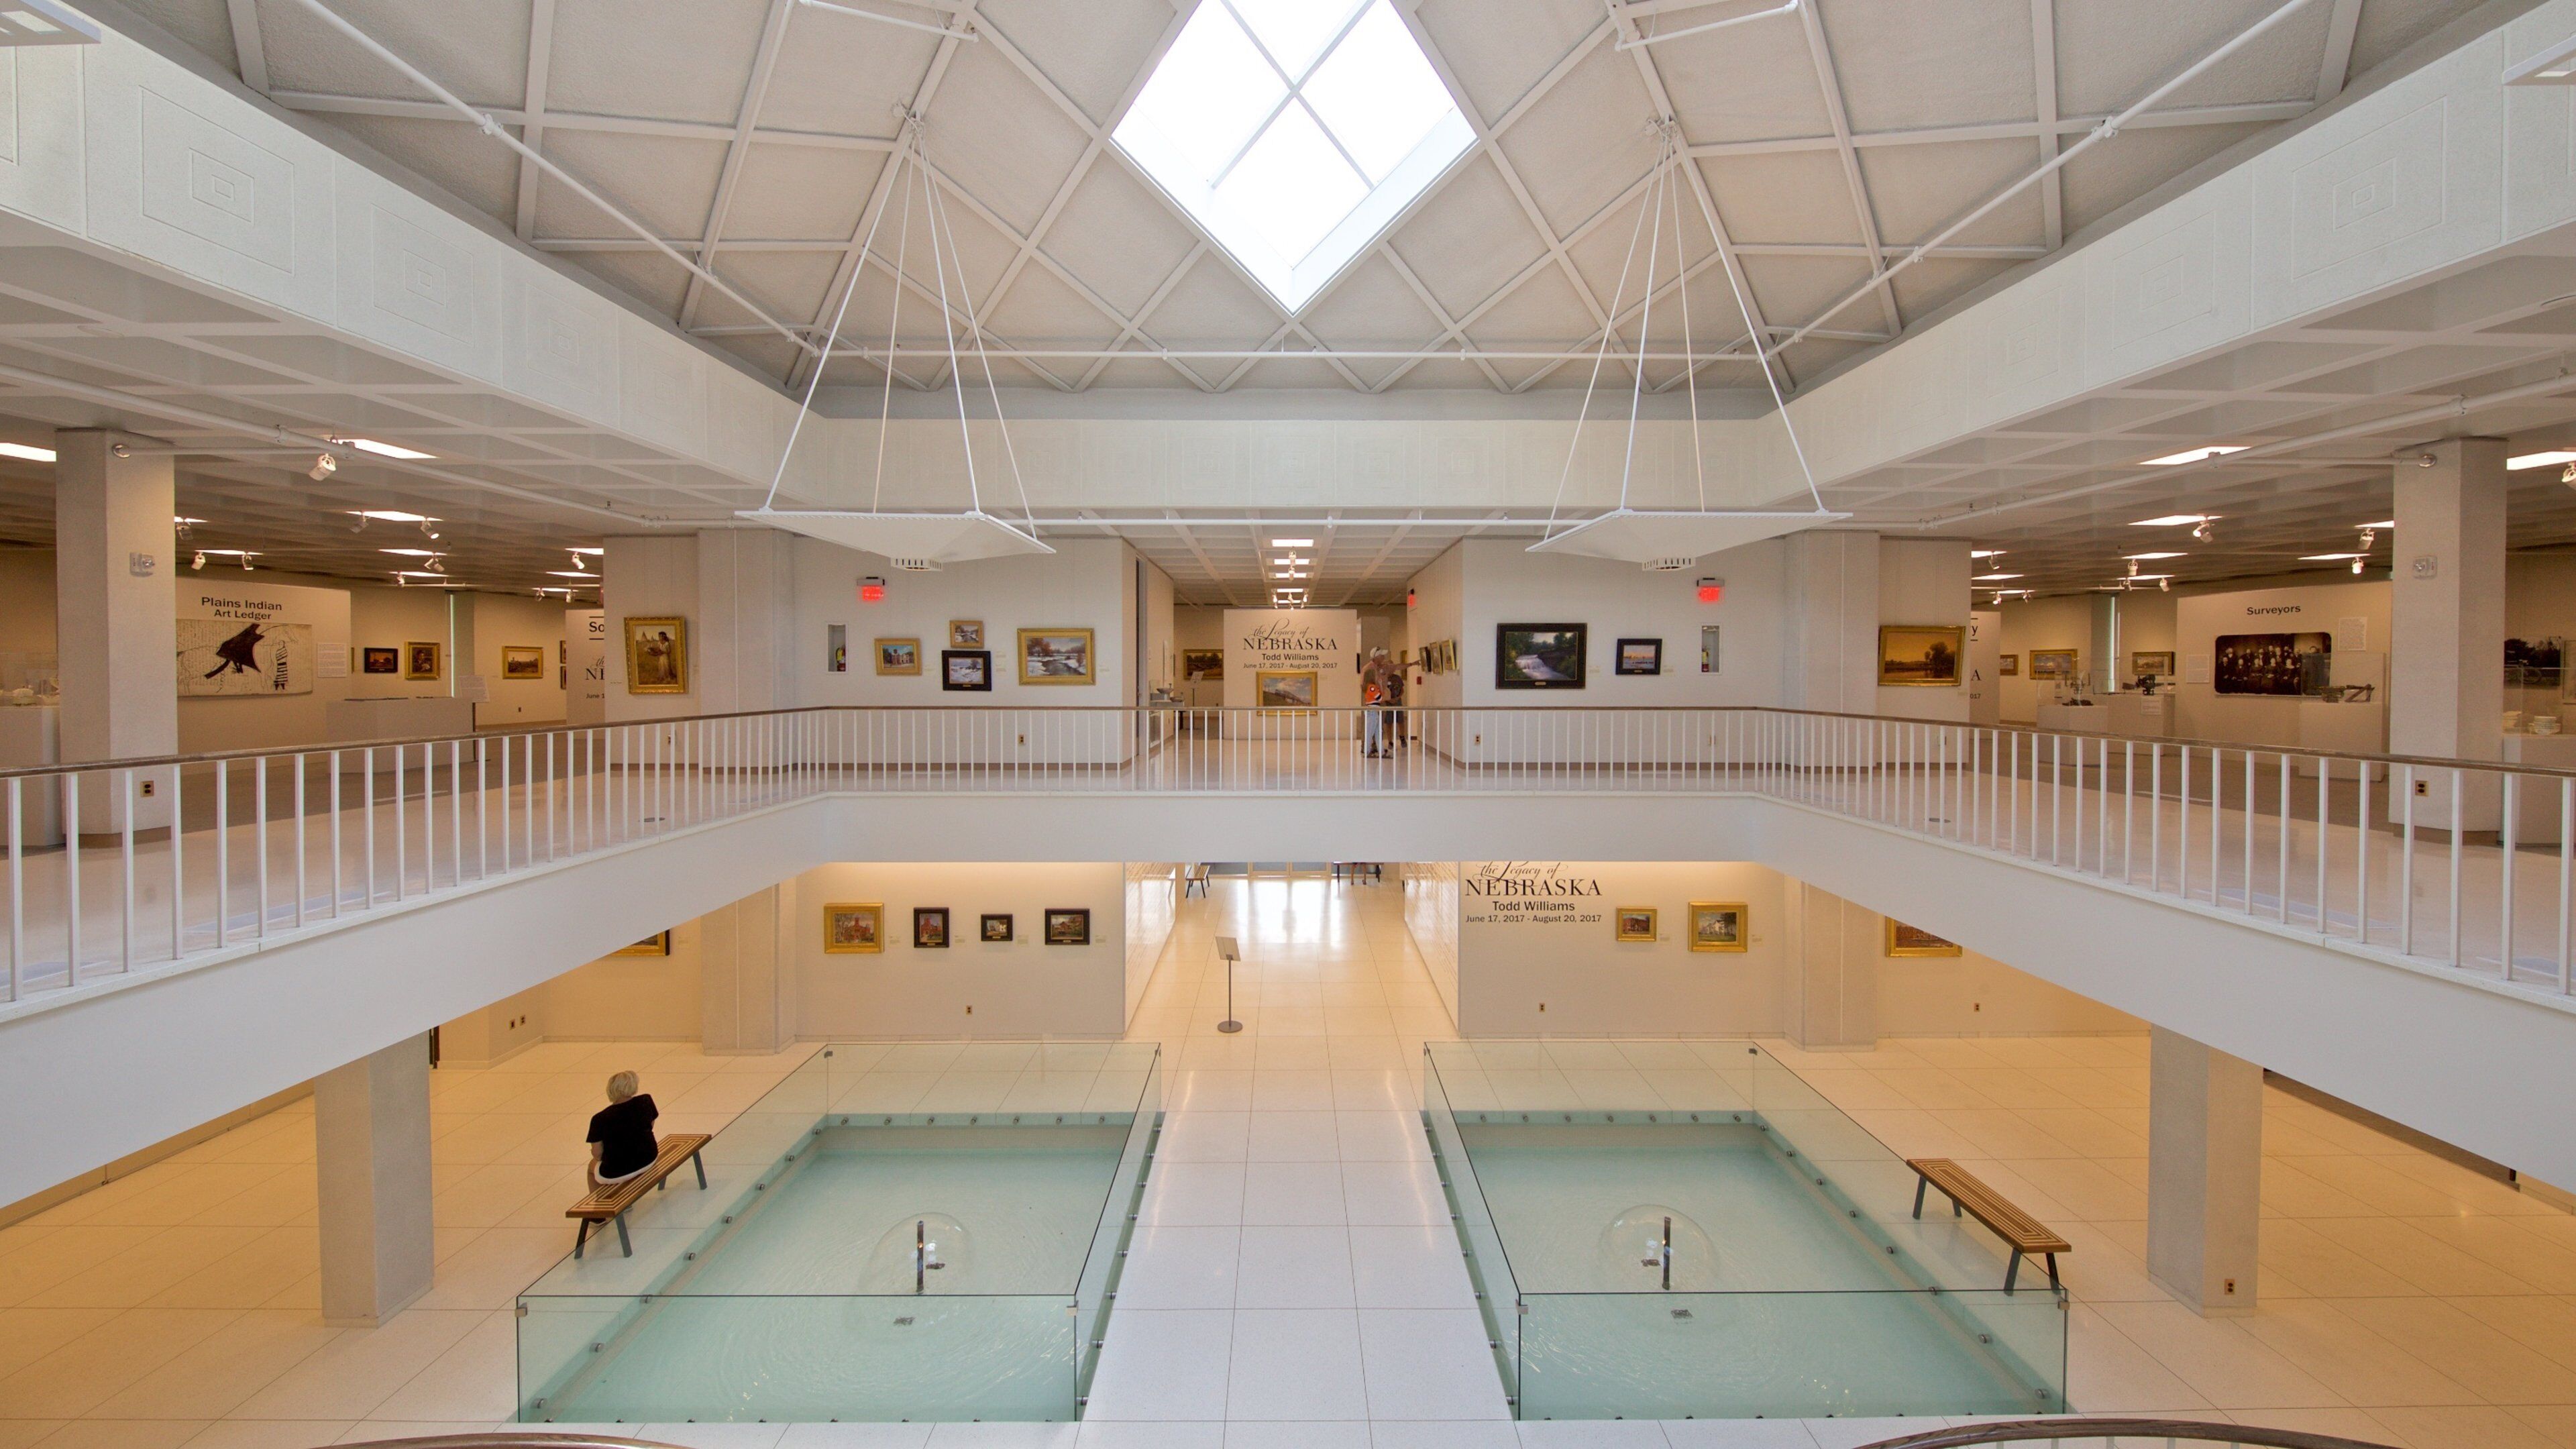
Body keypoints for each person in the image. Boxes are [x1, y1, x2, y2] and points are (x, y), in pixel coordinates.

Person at [585, 1070, 659, 1189]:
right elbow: (650, 1126)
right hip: (649, 1157)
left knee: (591, 1169)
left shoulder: (599, 1119)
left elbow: (598, 1154)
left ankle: (601, 1204)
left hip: (616, 1171)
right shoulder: (646, 1101)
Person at [1360, 648, 1393, 757]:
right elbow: (1380, 698)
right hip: (1372, 711)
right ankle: (1367, 751)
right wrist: (1382, 688)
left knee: (1378, 732)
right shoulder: (1372, 687)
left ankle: (1381, 751)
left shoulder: (1371, 687)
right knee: (1370, 733)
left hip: (1375, 711)